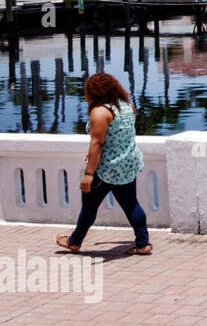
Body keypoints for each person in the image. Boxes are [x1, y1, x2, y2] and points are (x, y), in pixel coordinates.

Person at [54, 72, 152, 255]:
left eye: (87, 92)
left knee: (89, 208)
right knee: (132, 205)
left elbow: (97, 144)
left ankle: (74, 242)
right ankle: (143, 243)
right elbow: (119, 138)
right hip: (127, 165)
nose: (85, 96)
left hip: (105, 169)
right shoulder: (128, 107)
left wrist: (89, 175)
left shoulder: (100, 112)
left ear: (95, 92)